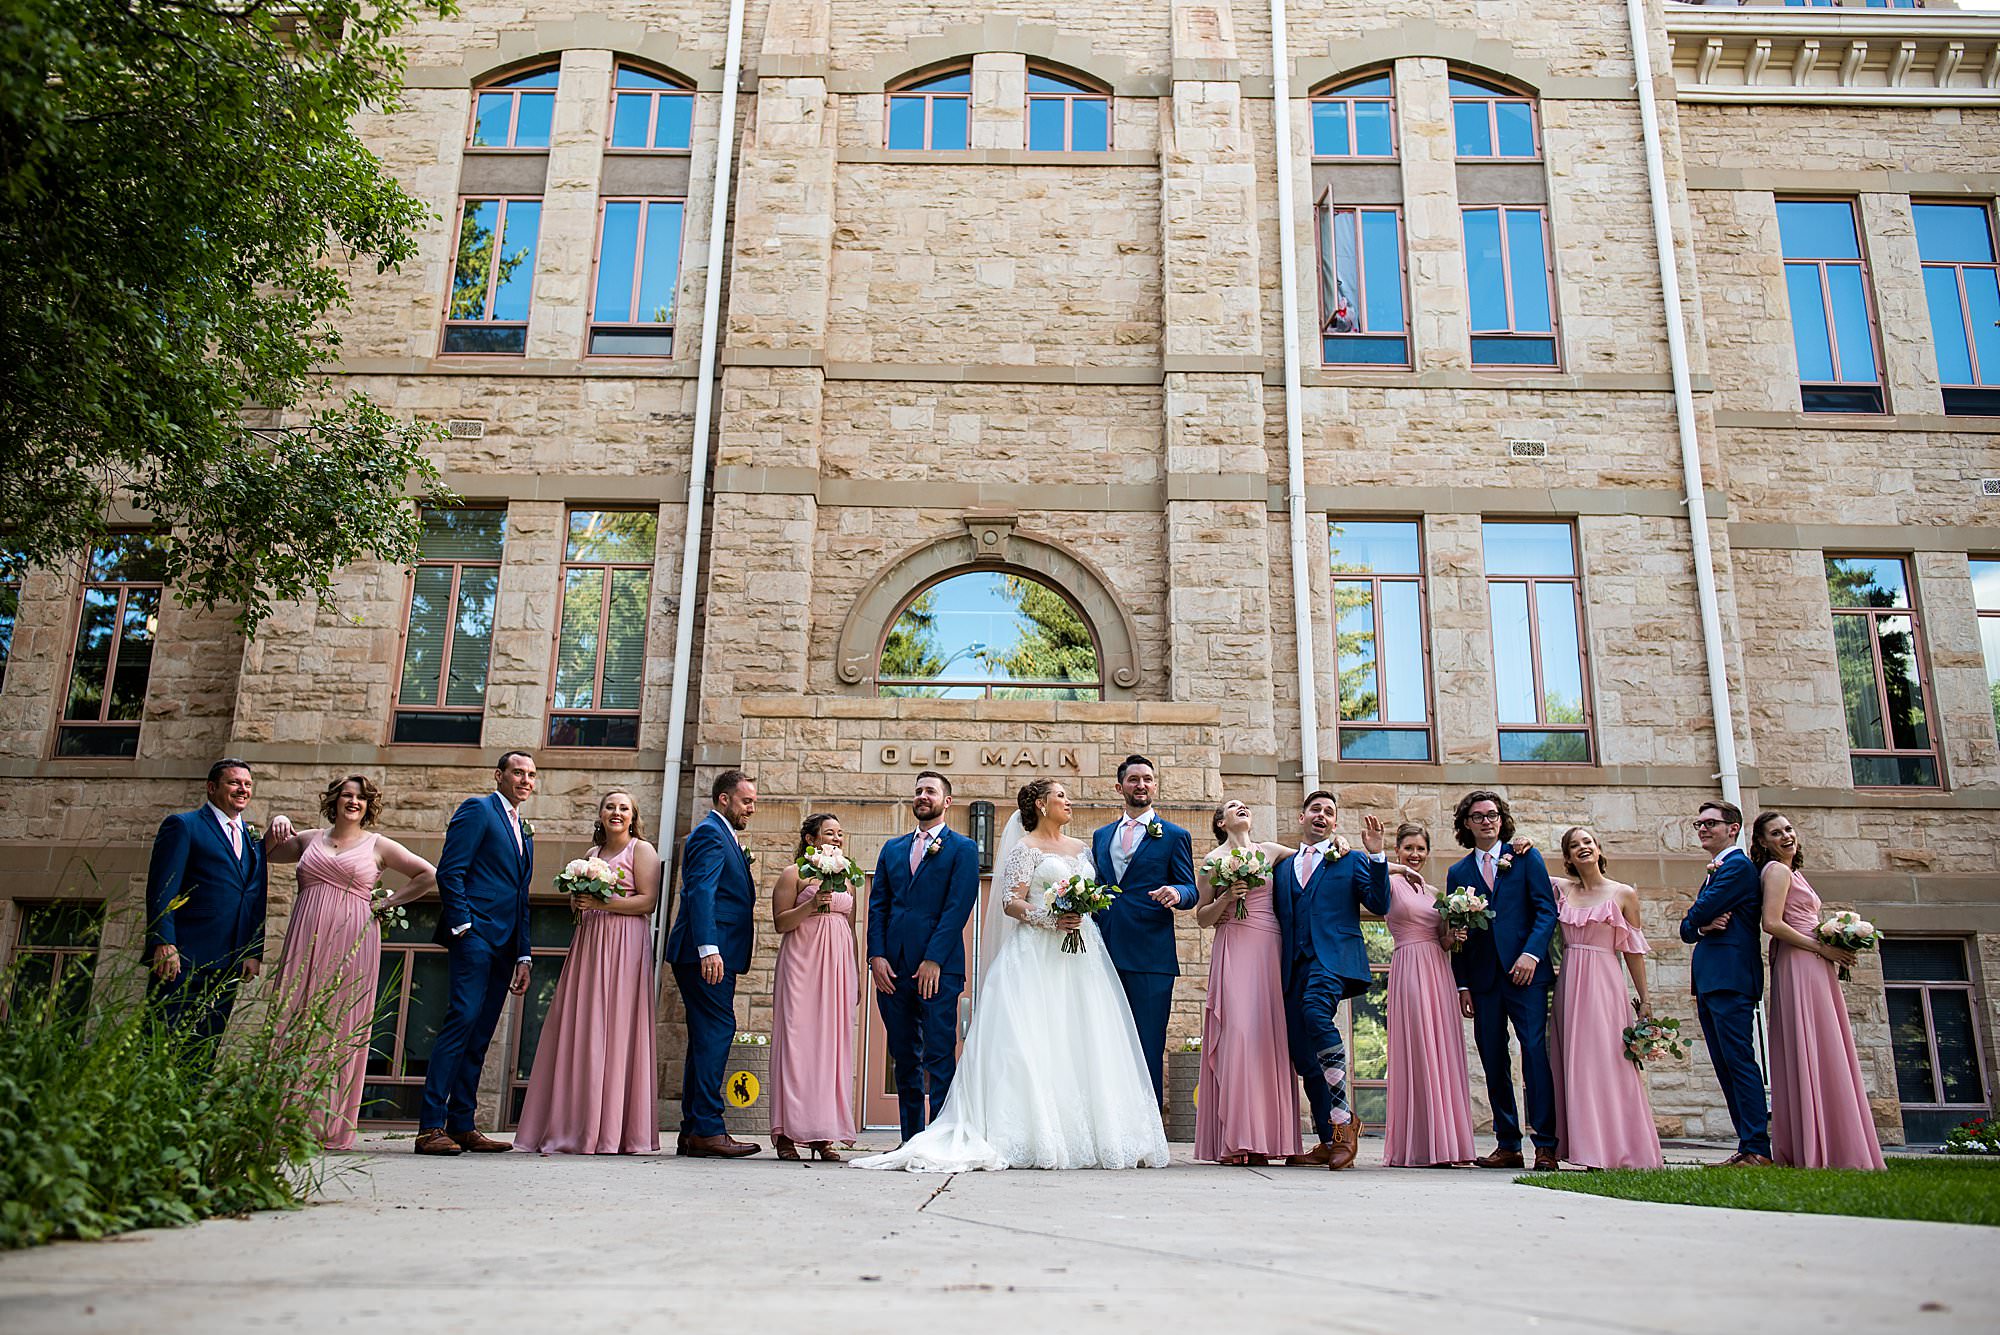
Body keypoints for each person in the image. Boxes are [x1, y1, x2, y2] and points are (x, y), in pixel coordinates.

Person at [852, 779, 1170, 1172]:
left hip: (1081, 955)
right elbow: (1010, 902)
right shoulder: (1025, 849)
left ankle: (1085, 1133)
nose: (1069, 802)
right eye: (1061, 797)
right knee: (1029, 1039)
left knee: (1081, 1036)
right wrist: (1049, 918)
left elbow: (1095, 894)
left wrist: (1082, 910)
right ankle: (1020, 1131)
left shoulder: (1082, 849)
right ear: (1040, 804)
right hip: (1034, 953)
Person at [264, 775, 435, 1150]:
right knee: (293, 1013)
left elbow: (427, 875)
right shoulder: (310, 838)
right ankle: (278, 1119)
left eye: (359, 797)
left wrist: (386, 903)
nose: (353, 802)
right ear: (334, 800)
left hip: (353, 939)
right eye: (346, 795)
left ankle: (326, 1123)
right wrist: (275, 821)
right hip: (304, 937)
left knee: (339, 1022)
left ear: (367, 804)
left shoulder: (379, 845)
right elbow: (272, 854)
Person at [512, 791, 661, 1155]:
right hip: (590, 941)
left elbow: (648, 901)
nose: (616, 812)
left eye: (624, 807)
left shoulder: (642, 850)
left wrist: (602, 902)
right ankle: (575, 1124)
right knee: (582, 1024)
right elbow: (582, 904)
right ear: (600, 814)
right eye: (610, 806)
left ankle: (612, 1130)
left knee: (617, 1024)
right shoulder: (591, 856)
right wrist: (579, 901)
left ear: (633, 816)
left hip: (625, 942)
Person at [417, 751, 537, 1156]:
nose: (525, 780)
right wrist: (464, 927)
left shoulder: (523, 829)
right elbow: (450, 870)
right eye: (518, 772)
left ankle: (463, 1124)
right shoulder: (478, 810)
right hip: (476, 935)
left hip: (506, 944)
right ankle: (430, 1126)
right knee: (461, 1021)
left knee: (481, 1032)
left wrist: (524, 954)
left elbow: (521, 895)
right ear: (499, 775)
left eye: (531, 775)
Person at [1752, 812, 1885, 1170]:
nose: (1786, 836)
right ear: (1763, 842)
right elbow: (1772, 923)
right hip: (1801, 962)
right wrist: (1823, 947)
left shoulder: (1792, 871)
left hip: (1812, 960)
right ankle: (1823, 1144)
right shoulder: (1777, 871)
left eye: (1788, 830)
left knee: (1824, 1043)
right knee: (1815, 1041)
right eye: (1776, 833)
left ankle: (1830, 1139)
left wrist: (1834, 939)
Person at [1271, 790, 1389, 1172]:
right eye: (1315, 809)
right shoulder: (1284, 868)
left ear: (1335, 824)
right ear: (1302, 817)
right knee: (1304, 1055)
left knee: (1316, 1014)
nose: (1322, 815)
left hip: (1333, 958)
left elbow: (1379, 903)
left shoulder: (1351, 859)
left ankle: (1343, 1122)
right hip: (1294, 964)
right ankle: (1327, 1138)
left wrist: (1377, 857)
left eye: (1329, 812)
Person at [1446, 789, 1559, 1171]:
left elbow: (1546, 911)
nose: (1487, 821)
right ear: (1466, 823)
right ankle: (1507, 1143)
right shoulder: (1458, 873)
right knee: (1494, 1060)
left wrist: (1531, 954)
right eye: (1477, 816)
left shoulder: (1526, 858)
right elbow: (1458, 934)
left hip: (1527, 975)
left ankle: (1545, 1144)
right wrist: (1462, 984)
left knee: (1534, 1056)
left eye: (1492, 814)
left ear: (1501, 818)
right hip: (1483, 980)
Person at [145, 758, 293, 1048]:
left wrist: (253, 951)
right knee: (161, 1040)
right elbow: (163, 887)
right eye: (234, 782)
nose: (242, 789)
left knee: (205, 1045)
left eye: (248, 784)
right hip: (184, 956)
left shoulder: (250, 839)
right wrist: (163, 941)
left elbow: (254, 896)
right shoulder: (183, 826)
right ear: (212, 787)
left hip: (229, 961)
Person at [866, 771, 980, 1144]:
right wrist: (876, 956)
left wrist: (933, 959)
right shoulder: (892, 849)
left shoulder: (962, 849)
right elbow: (878, 905)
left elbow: (958, 907)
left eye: (930, 791)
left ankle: (942, 1138)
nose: (922, 796)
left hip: (939, 969)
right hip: (892, 970)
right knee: (904, 1056)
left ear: (947, 801)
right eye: (918, 791)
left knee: (939, 1054)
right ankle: (910, 1137)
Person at [1547, 827, 1663, 1170]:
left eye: (1587, 842)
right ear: (1567, 857)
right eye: (1573, 845)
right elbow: (1527, 869)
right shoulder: (1562, 890)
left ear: (1599, 849)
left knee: (1608, 1062)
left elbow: (1634, 952)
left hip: (1605, 983)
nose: (1582, 847)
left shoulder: (1624, 894)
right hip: (1570, 982)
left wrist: (1645, 1001)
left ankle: (1621, 1148)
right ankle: (1587, 1149)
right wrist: (1522, 847)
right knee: (1575, 1064)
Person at [1193, 799, 1300, 1166]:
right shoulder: (1211, 861)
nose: (1241, 808)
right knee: (1237, 1032)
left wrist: (1352, 849)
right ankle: (1237, 1137)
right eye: (1231, 807)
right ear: (1221, 822)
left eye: (1243, 805)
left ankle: (1268, 1138)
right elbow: (1202, 919)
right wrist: (1225, 897)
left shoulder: (1270, 851)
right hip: (1234, 944)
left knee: (1266, 1037)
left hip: (1269, 945)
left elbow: (1314, 857)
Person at [1090, 754, 1198, 1107]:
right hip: (1103, 952)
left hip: (1152, 957)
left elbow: (1190, 889)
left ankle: (1149, 1132)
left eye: (1148, 779)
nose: (1141, 785)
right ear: (1119, 787)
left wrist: (1176, 892)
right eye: (1134, 779)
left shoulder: (1175, 836)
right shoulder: (1101, 835)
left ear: (1155, 785)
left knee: (1148, 1044)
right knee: (1104, 1044)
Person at [665, 769, 763, 1159]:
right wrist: (709, 948)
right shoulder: (710, 832)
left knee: (706, 1036)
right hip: (707, 954)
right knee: (718, 1032)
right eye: (746, 801)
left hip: (712, 952)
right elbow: (700, 891)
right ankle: (707, 1127)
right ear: (724, 799)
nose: (751, 809)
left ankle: (692, 1130)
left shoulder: (724, 835)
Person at [1678, 799, 1772, 1166]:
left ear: (1733, 828)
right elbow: (1690, 927)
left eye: (1710, 823)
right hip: (1711, 981)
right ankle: (1747, 1145)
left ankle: (1758, 1148)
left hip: (1731, 979)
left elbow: (1696, 913)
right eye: (1698, 823)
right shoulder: (1716, 870)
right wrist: (1701, 926)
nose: (1702, 829)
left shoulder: (1736, 867)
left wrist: (1697, 920)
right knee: (1724, 1064)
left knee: (1739, 1062)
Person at [1381, 823, 1476, 1169]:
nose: (1415, 855)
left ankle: (1448, 1142)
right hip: (1409, 965)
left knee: (1443, 1050)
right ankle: (1420, 1143)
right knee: (1419, 1046)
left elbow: (1444, 941)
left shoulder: (1435, 892)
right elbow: (1367, 869)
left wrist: (1454, 936)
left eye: (1420, 849)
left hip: (1438, 970)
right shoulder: (1388, 882)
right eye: (1408, 848)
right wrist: (1396, 866)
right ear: (1397, 851)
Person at [770, 812, 860, 1161]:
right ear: (810, 839)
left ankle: (823, 1133)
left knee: (830, 1048)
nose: (837, 838)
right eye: (829, 833)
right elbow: (780, 923)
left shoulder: (849, 878)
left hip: (836, 965)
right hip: (801, 964)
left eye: (840, 833)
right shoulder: (793, 874)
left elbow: (850, 929)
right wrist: (810, 904)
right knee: (797, 1044)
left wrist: (853, 975)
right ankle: (787, 1133)